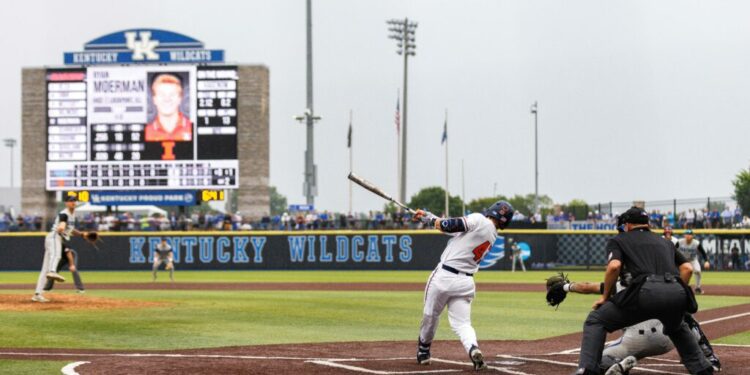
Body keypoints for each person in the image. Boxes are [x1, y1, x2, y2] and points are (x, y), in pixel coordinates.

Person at [574, 206, 714, 375]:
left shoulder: (620, 240)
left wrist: (604, 298)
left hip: (645, 291)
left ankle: (587, 371)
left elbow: (614, 266)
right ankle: (702, 369)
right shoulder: (665, 241)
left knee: (596, 320)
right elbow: (687, 269)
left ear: (627, 225)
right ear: (647, 223)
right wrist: (674, 291)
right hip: (676, 291)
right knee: (677, 326)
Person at [414, 201, 514, 371]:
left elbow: (448, 225)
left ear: (492, 211)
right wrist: (428, 217)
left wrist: (430, 220)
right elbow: (453, 229)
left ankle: (423, 353)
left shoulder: (478, 219)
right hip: (465, 282)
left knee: (430, 314)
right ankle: (473, 348)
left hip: (444, 277)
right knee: (462, 324)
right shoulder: (492, 234)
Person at [559, 279, 721, 373]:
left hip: (634, 341)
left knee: (594, 362)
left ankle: (617, 365)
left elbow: (587, 286)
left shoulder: (618, 285)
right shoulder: (661, 284)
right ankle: (707, 356)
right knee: (685, 319)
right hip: (667, 337)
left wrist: (567, 286)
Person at [33, 195, 86, 302]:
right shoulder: (64, 213)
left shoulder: (72, 214)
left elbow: (70, 229)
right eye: (70, 201)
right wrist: (61, 227)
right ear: (66, 203)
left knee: (44, 270)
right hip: (55, 236)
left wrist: (81, 234)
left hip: (55, 238)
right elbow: (62, 224)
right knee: (56, 255)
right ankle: (53, 271)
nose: (73, 202)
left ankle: (37, 294)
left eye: (74, 201)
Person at [144, 73, 192, 142]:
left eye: (172, 94)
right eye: (161, 94)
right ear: (154, 99)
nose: (167, 99)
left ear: (180, 98)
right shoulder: (146, 133)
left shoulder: (192, 129)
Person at [677, 229, 710, 294]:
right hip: (682, 260)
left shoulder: (696, 243)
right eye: (687, 234)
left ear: (692, 236)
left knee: (697, 271)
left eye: (690, 234)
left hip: (693, 260)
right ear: (684, 235)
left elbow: (703, 252)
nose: (688, 236)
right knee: (678, 274)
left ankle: (698, 288)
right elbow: (673, 250)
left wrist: (706, 261)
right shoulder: (680, 242)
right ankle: (680, 287)